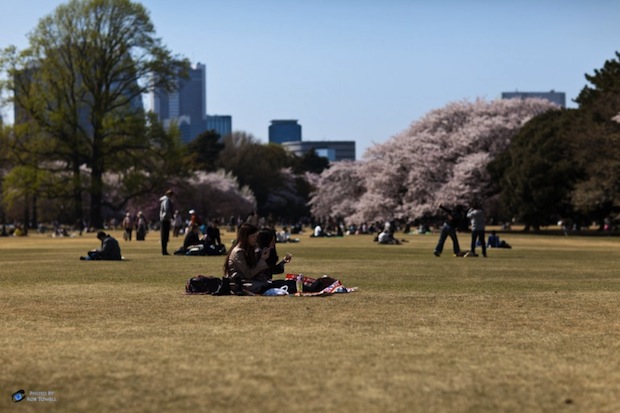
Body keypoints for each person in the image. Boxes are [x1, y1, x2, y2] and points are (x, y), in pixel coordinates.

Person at [223, 223, 271, 295]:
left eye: (256, 236)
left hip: (248, 281)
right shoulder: (238, 252)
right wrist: (261, 263)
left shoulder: (249, 249)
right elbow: (248, 274)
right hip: (239, 283)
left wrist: (262, 258)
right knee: (265, 285)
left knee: (268, 284)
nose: (255, 239)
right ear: (245, 237)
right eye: (253, 236)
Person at [159, 190, 174, 255]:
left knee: (164, 236)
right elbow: (167, 209)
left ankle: (164, 250)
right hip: (165, 219)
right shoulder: (167, 200)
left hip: (164, 219)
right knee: (165, 236)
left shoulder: (164, 200)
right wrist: (170, 216)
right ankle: (164, 251)